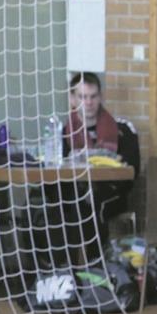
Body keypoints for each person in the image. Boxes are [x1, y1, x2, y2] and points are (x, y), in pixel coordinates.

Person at [63, 71, 140, 246]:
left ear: (100, 97)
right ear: (72, 99)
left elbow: (132, 171)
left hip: (110, 194)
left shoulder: (123, 129)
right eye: (82, 97)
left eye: (93, 96)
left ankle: (92, 265)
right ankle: (60, 266)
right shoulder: (62, 132)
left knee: (90, 204)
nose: (88, 102)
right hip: (73, 193)